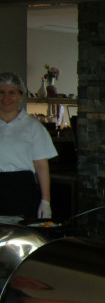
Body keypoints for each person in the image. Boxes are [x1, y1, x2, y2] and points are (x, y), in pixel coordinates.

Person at [0, 72, 57, 221]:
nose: (6, 98)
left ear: (20, 96)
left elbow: (41, 166)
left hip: (22, 190)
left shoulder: (33, 127)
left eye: (12, 93)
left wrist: (46, 201)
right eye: (1, 92)